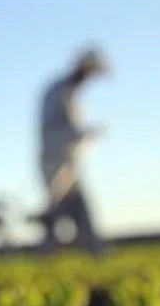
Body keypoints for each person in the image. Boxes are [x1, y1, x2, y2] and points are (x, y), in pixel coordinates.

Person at [31, 48, 109, 255]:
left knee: (79, 209)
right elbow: (56, 128)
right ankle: (49, 255)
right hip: (55, 162)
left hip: (68, 163)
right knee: (57, 211)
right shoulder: (59, 91)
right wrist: (86, 133)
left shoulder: (70, 93)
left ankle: (95, 251)